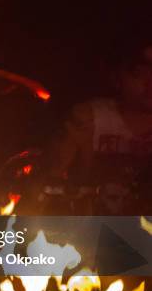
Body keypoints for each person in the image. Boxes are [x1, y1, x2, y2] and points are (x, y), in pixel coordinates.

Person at [48, 32, 152, 215]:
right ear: (117, 76)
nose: (150, 83)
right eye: (139, 74)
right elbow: (50, 181)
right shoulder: (89, 118)